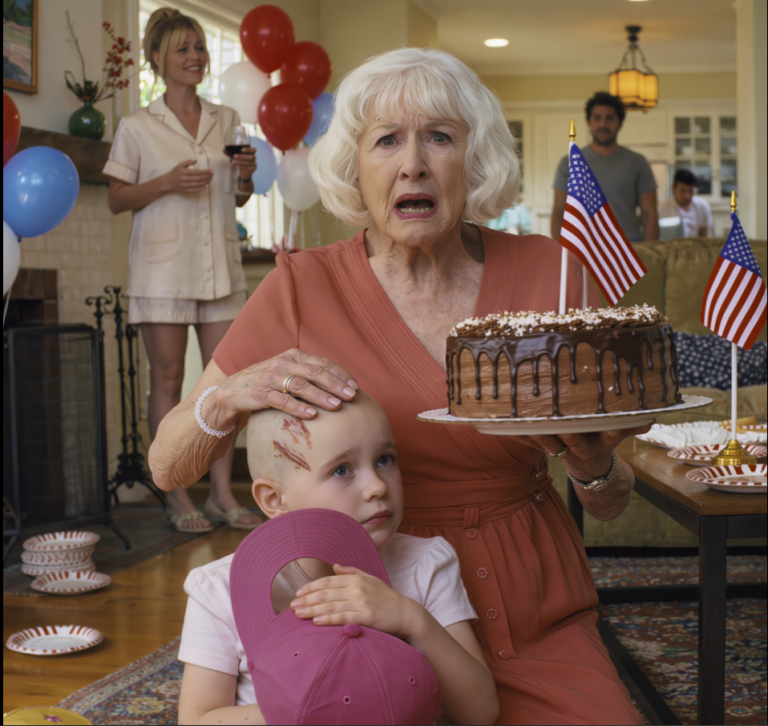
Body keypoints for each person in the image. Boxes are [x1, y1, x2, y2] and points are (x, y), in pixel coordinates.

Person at [150, 48, 647, 724]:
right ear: (357, 167)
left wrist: (591, 464)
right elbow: (166, 462)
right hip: (365, 601)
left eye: (438, 137)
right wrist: (233, 392)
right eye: (387, 140)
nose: (413, 162)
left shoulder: (552, 276)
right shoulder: (302, 287)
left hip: (533, 600)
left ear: (473, 161)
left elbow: (615, 502)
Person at [177, 392, 498, 726]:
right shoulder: (219, 589)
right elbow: (198, 719)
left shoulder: (424, 565)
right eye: (342, 470)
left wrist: (411, 619)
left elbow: (480, 712)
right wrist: (314, 707)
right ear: (274, 499)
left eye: (385, 460)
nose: (376, 487)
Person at [104, 8, 260, 533]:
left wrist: (245, 179)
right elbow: (116, 199)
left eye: (198, 47)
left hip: (220, 267)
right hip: (162, 271)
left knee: (225, 386)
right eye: (182, 49)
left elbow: (238, 200)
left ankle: (221, 492)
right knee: (168, 381)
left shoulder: (228, 119)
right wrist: (167, 181)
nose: (194, 56)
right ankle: (175, 494)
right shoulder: (137, 126)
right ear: (157, 60)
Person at [551, 91, 659, 242]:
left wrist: (650, 252)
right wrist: (560, 252)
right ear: (589, 122)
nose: (603, 124)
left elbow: (649, 213)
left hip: (629, 248)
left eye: (609, 118)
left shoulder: (638, 162)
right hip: (582, 249)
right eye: (597, 118)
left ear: (620, 123)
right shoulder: (570, 162)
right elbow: (559, 211)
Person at [659, 169, 713, 237]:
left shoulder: (702, 206)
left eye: (691, 191)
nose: (687, 196)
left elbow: (705, 235)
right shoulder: (662, 208)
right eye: (683, 191)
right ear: (674, 188)